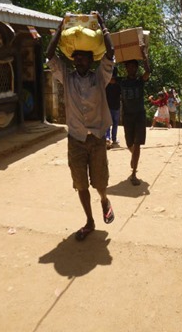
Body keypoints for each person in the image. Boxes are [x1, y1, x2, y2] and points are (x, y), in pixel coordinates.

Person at [46, 12, 115, 241]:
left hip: (96, 138)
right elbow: (49, 56)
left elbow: (111, 53)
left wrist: (103, 25)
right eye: (75, 58)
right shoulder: (67, 79)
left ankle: (104, 199)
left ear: (90, 59)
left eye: (83, 58)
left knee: (100, 182)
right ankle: (89, 221)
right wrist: (59, 27)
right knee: (80, 183)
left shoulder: (100, 77)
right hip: (75, 139)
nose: (78, 61)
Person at [120, 46, 150, 186]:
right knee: (129, 144)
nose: (131, 69)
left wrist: (144, 55)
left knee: (137, 144)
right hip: (127, 117)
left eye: (133, 67)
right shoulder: (122, 82)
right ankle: (134, 156)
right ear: (126, 68)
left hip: (139, 116)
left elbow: (148, 72)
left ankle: (134, 174)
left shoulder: (140, 81)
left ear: (136, 69)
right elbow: (107, 77)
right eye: (129, 67)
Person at [105, 67, 121, 148]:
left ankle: (109, 138)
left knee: (111, 123)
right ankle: (111, 139)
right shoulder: (118, 84)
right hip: (114, 107)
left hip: (112, 107)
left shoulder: (107, 84)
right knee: (113, 124)